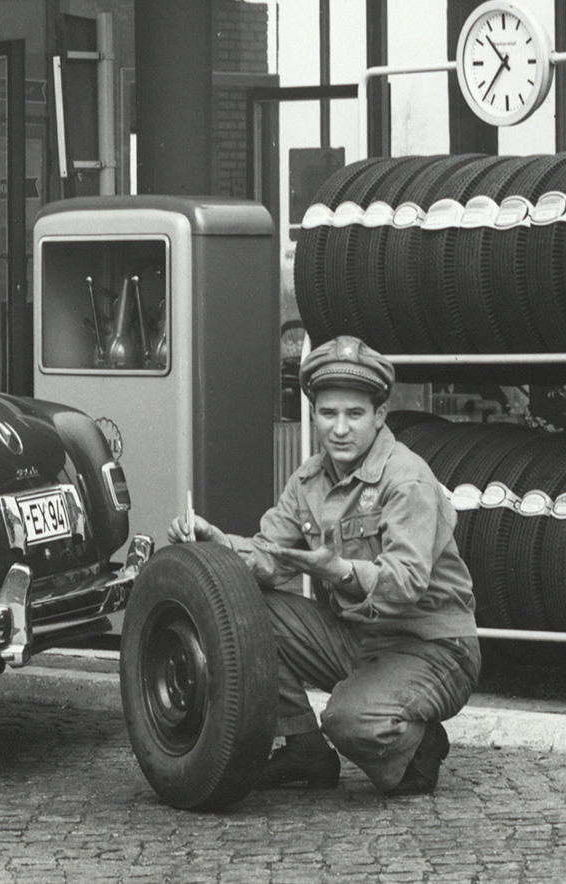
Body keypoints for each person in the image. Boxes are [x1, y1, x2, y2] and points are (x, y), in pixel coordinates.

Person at [165, 335, 480, 796]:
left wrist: (340, 572)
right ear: (313, 415)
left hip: (433, 644)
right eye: (328, 414)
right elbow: (270, 557)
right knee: (246, 609)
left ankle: (421, 746)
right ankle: (305, 749)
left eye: (354, 414)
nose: (340, 428)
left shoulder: (405, 478)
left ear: (379, 416)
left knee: (349, 720)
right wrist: (222, 545)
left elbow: (408, 583)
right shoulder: (308, 479)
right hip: (357, 636)